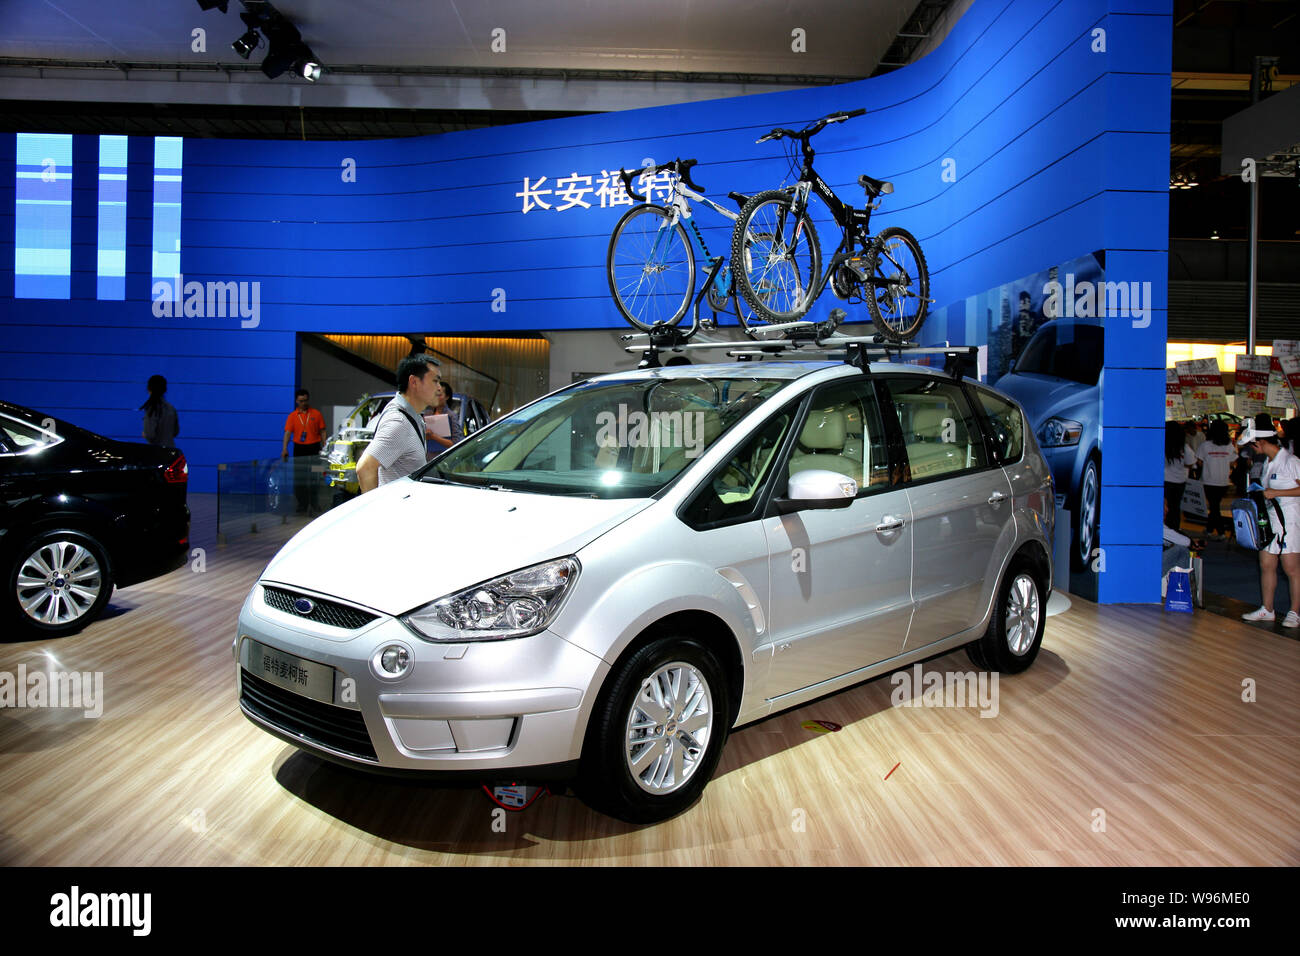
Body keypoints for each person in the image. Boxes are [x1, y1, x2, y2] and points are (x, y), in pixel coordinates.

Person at [1239, 420, 1300, 628]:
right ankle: (1267, 608)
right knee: (1266, 564)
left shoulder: (1291, 462)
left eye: (1253, 445)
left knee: (1291, 568)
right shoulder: (1267, 463)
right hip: (1271, 519)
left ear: (1261, 443)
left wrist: (1277, 492)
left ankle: (1294, 612)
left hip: (1290, 520)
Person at [357, 354, 441, 492]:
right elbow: (365, 468)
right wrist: (375, 510)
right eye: (435, 381)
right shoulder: (399, 422)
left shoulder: (413, 416)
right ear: (414, 382)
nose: (439, 388)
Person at [281, 388, 327, 513]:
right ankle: (302, 504)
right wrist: (284, 449)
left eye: (306, 400)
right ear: (296, 401)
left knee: (314, 477)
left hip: (314, 448)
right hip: (299, 449)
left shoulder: (316, 414)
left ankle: (314, 503)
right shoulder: (292, 416)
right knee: (299, 478)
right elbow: (287, 433)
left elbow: (322, 431)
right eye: (301, 401)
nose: (304, 403)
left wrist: (324, 446)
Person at [1196, 419, 1234, 539]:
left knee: (1214, 506)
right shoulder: (1229, 445)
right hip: (1223, 480)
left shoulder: (1205, 445)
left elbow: (1199, 462)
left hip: (1209, 480)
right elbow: (1233, 461)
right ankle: (1210, 529)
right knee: (1214, 505)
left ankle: (1220, 531)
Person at [1164, 419, 1195, 533]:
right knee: (1175, 507)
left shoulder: (1161, 445)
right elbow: (1190, 463)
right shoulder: (1184, 448)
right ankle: (1174, 530)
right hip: (1180, 481)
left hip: (1164, 481)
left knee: (1164, 507)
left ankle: (1165, 531)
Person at [140, 374, 179, 447]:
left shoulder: (152, 409)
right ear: (165, 390)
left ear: (149, 389)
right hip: (170, 450)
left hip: (156, 452)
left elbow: (150, 435)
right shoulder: (171, 408)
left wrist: (145, 434)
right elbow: (175, 432)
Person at [423, 380, 458, 456]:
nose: (436, 397)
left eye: (439, 395)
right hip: (427, 458)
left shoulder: (451, 416)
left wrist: (433, 436)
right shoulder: (427, 414)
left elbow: (456, 443)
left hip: (445, 458)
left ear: (447, 397)